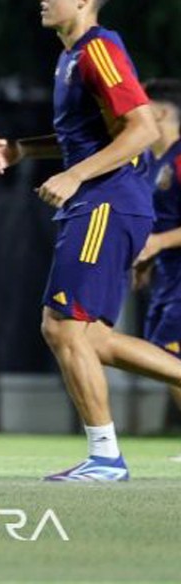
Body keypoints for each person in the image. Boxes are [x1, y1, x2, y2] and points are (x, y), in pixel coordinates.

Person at [0, 0, 181, 481]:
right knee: (86, 335)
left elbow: (141, 128)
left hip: (107, 202)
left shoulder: (100, 49)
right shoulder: (70, 57)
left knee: (62, 325)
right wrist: (24, 151)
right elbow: (86, 137)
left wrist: (74, 178)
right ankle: (104, 457)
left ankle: (105, 458)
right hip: (100, 202)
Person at [130, 79, 181, 422]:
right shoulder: (147, 162)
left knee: (168, 353)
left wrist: (158, 243)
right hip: (169, 274)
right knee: (163, 355)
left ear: (160, 112)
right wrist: (145, 262)